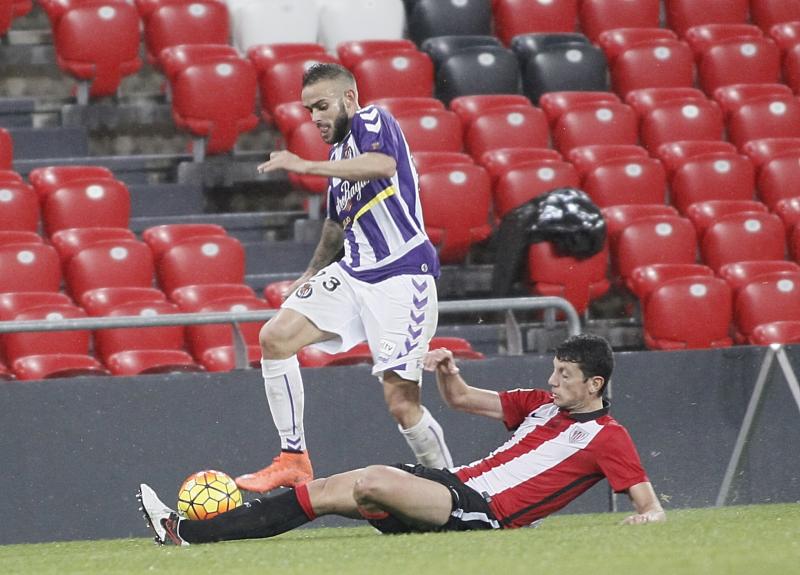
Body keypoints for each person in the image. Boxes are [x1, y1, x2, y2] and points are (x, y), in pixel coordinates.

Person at [138, 335, 666, 545]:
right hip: (453, 488)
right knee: (329, 490)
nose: (553, 382)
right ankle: (183, 533)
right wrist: (447, 370)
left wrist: (643, 520)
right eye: (553, 372)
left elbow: (649, 506)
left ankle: (185, 532)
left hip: (487, 513)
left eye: (564, 376)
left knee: (373, 479)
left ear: (595, 384)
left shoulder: (607, 437)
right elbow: (462, 400)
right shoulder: (540, 404)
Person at [234, 62, 451, 494]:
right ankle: (293, 457)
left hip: (402, 274)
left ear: (348, 99)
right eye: (308, 109)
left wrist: (303, 166)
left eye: (321, 105)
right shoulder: (337, 156)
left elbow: (382, 165)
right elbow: (336, 223)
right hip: (353, 273)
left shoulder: (373, 120)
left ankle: (460, 492)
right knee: (275, 337)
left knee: (402, 405)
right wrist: (312, 272)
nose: (314, 117)